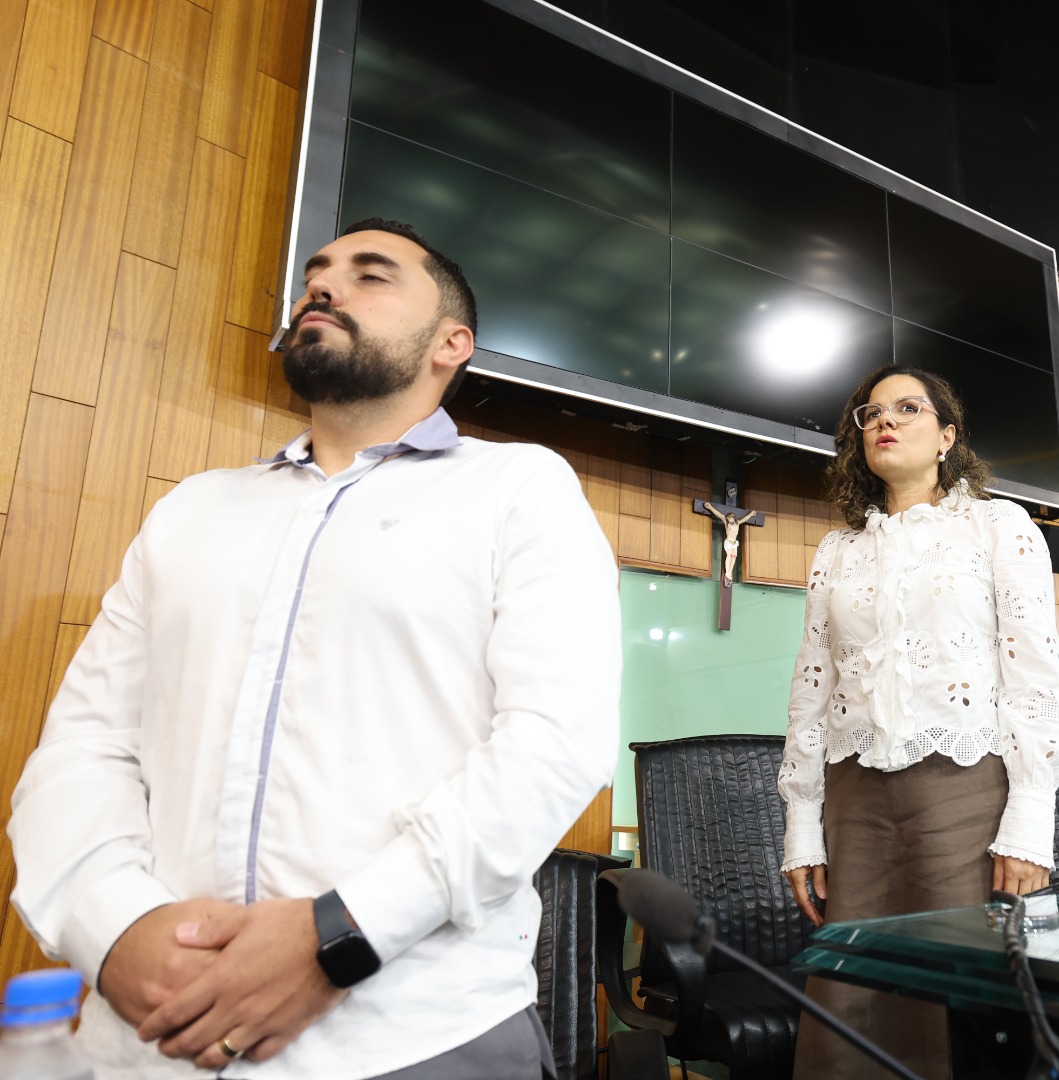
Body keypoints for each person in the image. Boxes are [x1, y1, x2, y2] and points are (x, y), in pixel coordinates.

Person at [7, 220, 621, 1079]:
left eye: (372, 275)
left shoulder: (520, 488)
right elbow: (85, 744)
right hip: (151, 1040)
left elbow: (555, 743)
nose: (322, 287)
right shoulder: (192, 510)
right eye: (315, 275)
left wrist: (341, 935)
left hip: (415, 1037)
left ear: (451, 344)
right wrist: (112, 931)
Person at [778, 365, 1059, 1079]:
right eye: (871, 413)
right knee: (853, 999)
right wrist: (802, 827)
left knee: (967, 1000)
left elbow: (1035, 676)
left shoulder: (999, 525)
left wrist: (1029, 820)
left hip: (968, 794)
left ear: (947, 436)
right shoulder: (837, 550)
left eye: (908, 408)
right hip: (856, 803)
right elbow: (812, 691)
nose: (884, 420)